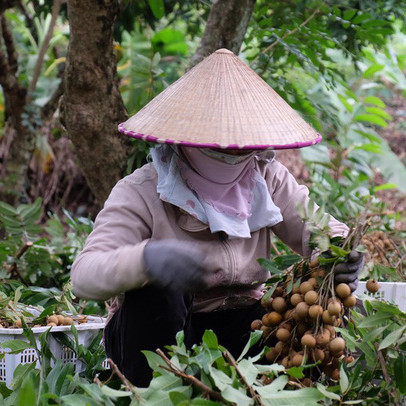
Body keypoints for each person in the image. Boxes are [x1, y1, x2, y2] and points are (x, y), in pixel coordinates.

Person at [71, 49, 364, 387]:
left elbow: (317, 228)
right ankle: (155, 392)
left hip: (244, 329)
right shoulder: (142, 189)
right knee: (158, 295)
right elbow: (84, 275)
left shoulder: (267, 177)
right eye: (218, 146)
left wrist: (339, 252)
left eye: (239, 147)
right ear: (185, 137)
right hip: (164, 334)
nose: (231, 155)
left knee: (309, 317)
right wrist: (146, 259)